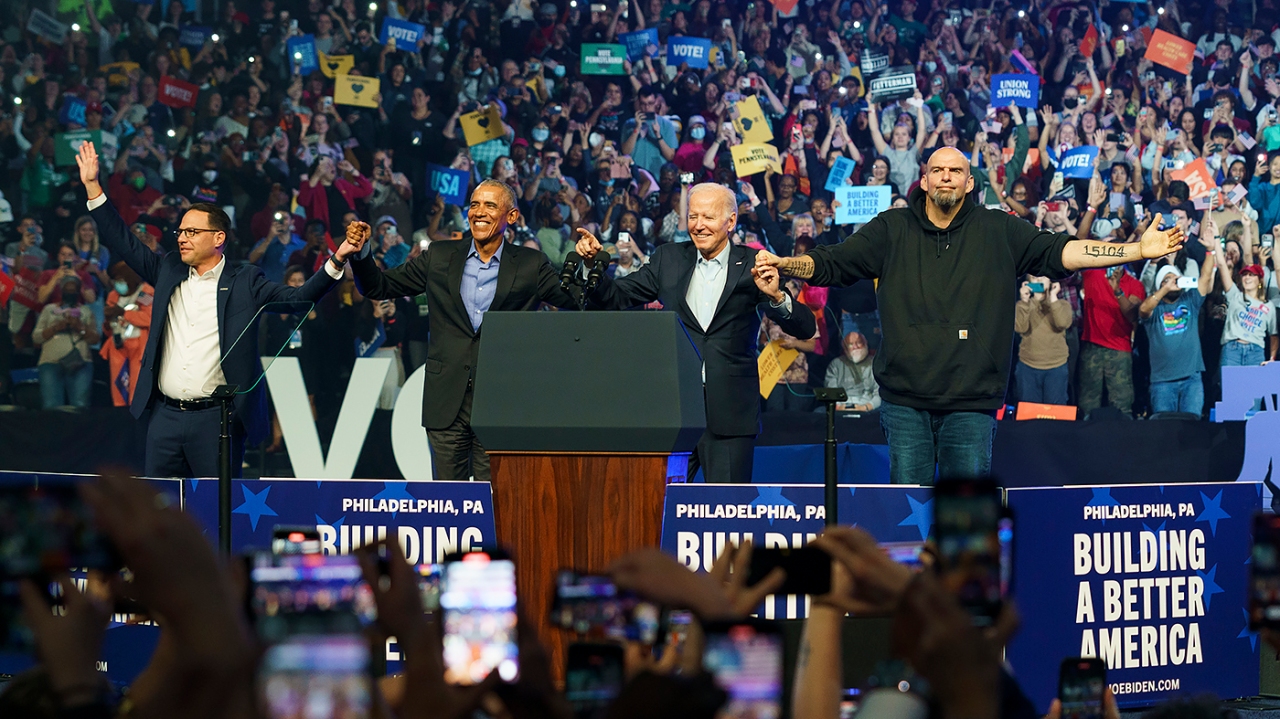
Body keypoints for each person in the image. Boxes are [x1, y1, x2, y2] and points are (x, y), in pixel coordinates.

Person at [754, 148, 1185, 484]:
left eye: (955, 171)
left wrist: (1133, 251)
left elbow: (1062, 251)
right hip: (905, 403)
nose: (945, 177)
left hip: (972, 403)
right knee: (910, 517)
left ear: (968, 183)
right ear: (923, 180)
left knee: (965, 524)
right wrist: (787, 264)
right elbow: (833, 262)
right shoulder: (892, 228)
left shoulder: (999, 230)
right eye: (937, 170)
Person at [76, 142, 347, 478]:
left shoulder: (246, 280)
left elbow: (300, 298)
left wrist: (338, 259)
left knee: (216, 518)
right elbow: (122, 240)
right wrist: (93, 187)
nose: (182, 238)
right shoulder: (168, 270)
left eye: (192, 232)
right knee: (159, 513)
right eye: (181, 231)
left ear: (218, 237)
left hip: (217, 421)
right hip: (164, 418)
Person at [574, 183, 817, 483]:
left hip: (730, 415)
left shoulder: (753, 264)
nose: (698, 225)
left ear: (730, 222)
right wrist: (591, 267)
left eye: (708, 217)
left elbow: (805, 327)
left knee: (728, 515)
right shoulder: (668, 258)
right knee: (660, 512)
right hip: (673, 411)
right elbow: (615, 297)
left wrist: (777, 297)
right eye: (693, 216)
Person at [341, 180, 582, 482]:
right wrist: (361, 254)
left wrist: (588, 261)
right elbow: (379, 285)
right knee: (448, 502)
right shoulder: (439, 257)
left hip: (499, 400)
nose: (479, 212)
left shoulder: (530, 264)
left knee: (491, 500)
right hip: (446, 401)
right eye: (474, 204)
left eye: (490, 205)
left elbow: (575, 299)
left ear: (511, 216)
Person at [1139, 245, 1217, 416]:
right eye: (1168, 279)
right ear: (1160, 285)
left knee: (1192, 429)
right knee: (1164, 432)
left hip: (1192, 379)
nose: (1174, 281)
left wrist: (1211, 250)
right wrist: (1165, 288)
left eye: (1176, 278)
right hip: (1162, 382)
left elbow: (1205, 278)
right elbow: (1143, 309)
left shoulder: (1190, 300)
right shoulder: (1155, 308)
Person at [33, 275, 98, 409]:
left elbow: (96, 339)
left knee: (80, 405)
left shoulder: (86, 311)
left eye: (73, 290)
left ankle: (78, 430)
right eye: (67, 290)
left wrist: (80, 327)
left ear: (78, 291)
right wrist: (56, 327)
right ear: (61, 290)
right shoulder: (49, 310)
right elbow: (36, 337)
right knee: (51, 406)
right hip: (50, 363)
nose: (70, 293)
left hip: (80, 363)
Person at [99, 262, 154, 408]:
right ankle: (120, 417)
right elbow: (109, 324)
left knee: (136, 386)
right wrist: (106, 322)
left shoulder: (145, 292)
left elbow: (149, 319)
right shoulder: (113, 295)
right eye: (116, 280)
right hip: (118, 344)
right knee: (118, 385)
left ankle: (135, 420)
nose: (118, 284)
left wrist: (124, 313)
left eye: (121, 280)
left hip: (138, 345)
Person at [1014, 276, 1072, 405]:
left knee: (1055, 415)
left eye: (1042, 277)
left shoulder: (1062, 304)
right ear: (1028, 283)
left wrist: (1053, 297)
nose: (1038, 280)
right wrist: (1024, 301)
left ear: (1050, 281)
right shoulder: (1023, 305)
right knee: (1028, 416)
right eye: (1034, 278)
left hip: (1056, 367)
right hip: (1028, 367)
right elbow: (1020, 328)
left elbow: (1062, 323)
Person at [825, 331, 880, 412]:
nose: (855, 347)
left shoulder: (875, 363)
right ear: (845, 348)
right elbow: (831, 391)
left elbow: (879, 394)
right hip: (841, 408)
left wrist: (865, 407)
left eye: (859, 342)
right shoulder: (836, 364)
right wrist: (838, 407)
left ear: (865, 343)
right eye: (850, 344)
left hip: (867, 408)